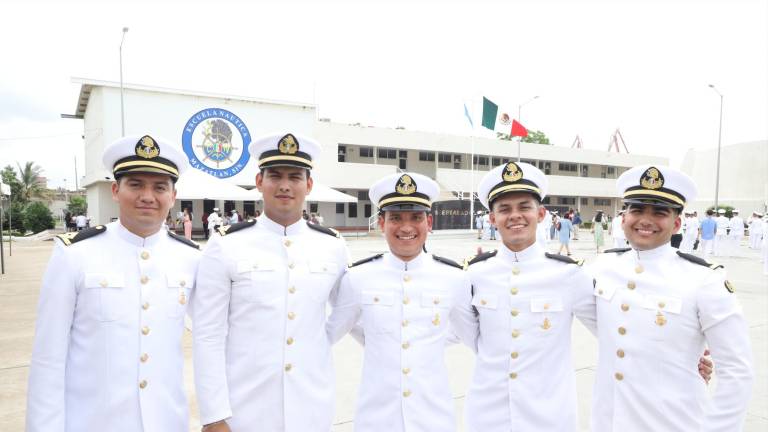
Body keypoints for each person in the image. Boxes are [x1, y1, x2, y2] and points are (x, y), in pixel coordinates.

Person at [26, 135, 200, 432]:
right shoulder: (74, 253)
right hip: (93, 423)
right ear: (116, 190)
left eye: (159, 187)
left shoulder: (191, 258)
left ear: (173, 195)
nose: (148, 195)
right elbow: (48, 359)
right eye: (136, 184)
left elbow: (215, 335)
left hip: (167, 422)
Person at [193, 132, 349, 432]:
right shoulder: (225, 245)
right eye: (275, 176)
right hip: (245, 411)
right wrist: (214, 415)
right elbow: (208, 335)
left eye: (295, 176)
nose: (285, 185)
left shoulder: (333, 246)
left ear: (309, 185)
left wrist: (314, 343)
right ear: (259, 181)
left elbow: (349, 312)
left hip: (311, 407)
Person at [591, 165, 753, 431]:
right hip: (609, 421)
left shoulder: (704, 279)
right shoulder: (601, 267)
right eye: (637, 209)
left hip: (675, 423)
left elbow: (737, 371)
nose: (646, 219)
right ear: (623, 218)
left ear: (677, 223)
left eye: (659, 212)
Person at [326, 172, 476, 432]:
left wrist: (431, 338)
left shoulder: (454, 277)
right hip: (376, 418)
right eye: (395, 218)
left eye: (416, 217)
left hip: (433, 417)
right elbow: (333, 331)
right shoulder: (358, 277)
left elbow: (475, 338)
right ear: (381, 223)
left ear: (429, 222)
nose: (406, 227)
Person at [461, 162, 597, 431]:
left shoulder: (569, 274)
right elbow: (444, 329)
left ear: (541, 213)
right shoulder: (474, 273)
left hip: (548, 415)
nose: (515, 216)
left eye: (524, 207)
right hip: (489, 414)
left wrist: (685, 351)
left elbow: (612, 327)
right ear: (491, 218)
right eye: (504, 209)